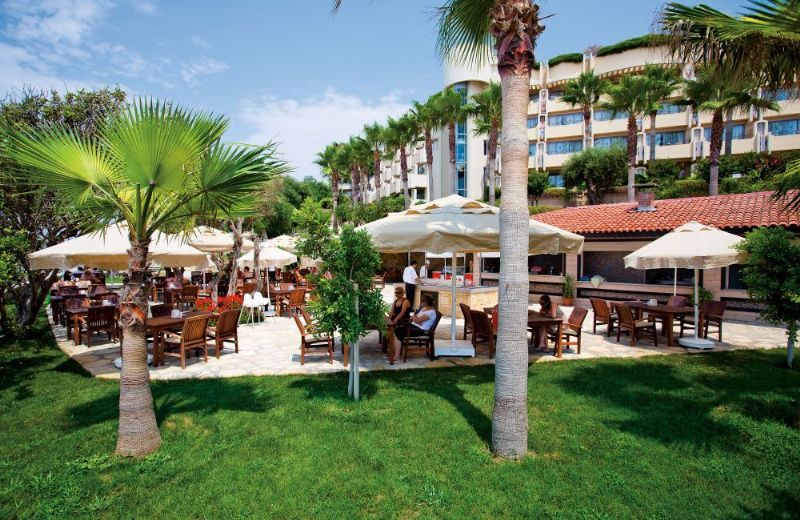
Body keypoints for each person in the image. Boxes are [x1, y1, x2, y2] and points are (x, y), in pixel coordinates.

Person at [393, 294, 437, 360]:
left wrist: (416, 318)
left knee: (398, 331)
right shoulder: (424, 309)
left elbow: (417, 320)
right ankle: (396, 353)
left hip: (420, 330)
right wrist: (416, 318)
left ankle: (397, 356)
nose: (421, 302)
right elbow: (415, 318)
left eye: (422, 300)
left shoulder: (431, 312)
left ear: (426, 302)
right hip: (415, 327)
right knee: (397, 329)